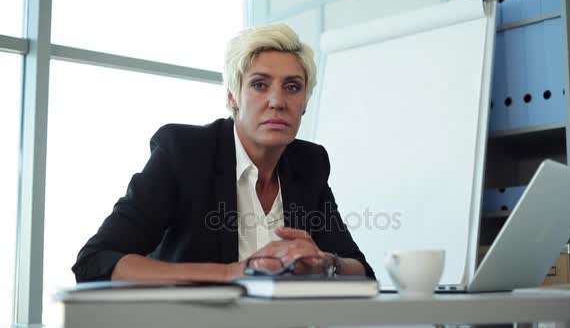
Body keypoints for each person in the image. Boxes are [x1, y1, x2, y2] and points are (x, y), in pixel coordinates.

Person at [72, 23, 375, 282]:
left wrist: (326, 263)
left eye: (292, 87)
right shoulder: (184, 153)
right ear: (233, 97)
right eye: (259, 84)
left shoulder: (309, 163)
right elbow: (97, 260)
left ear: (305, 103)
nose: (277, 101)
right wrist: (233, 272)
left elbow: (360, 269)